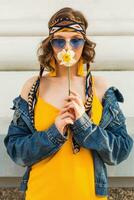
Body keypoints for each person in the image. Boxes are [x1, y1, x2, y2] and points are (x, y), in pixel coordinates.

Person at [4, 7, 133, 200]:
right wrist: (54, 132)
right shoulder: (33, 88)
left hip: (88, 194)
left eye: (75, 40)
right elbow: (16, 150)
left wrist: (85, 125)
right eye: (59, 41)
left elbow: (121, 150)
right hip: (41, 193)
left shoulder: (99, 88)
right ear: (50, 45)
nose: (67, 48)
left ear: (84, 43)